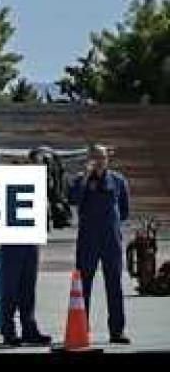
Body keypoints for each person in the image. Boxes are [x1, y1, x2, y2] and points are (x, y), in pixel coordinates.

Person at [68, 144, 131, 344]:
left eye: (102, 157)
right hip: (88, 239)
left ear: (107, 159)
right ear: (89, 159)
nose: (99, 161)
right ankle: (81, 329)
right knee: (83, 285)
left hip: (111, 240)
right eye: (95, 157)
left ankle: (117, 331)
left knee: (114, 285)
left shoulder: (118, 180)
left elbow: (124, 211)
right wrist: (86, 178)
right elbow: (73, 199)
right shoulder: (81, 180)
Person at [0, 149, 52, 347]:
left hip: (31, 242)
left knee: (28, 289)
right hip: (12, 242)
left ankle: (29, 328)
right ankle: (8, 330)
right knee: (10, 289)